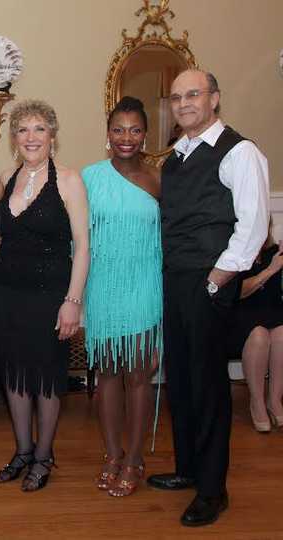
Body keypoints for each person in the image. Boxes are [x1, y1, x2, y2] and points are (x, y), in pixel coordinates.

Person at [149, 69, 269, 527]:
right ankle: (188, 469)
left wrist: (216, 281)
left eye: (193, 94)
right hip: (176, 279)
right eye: (176, 97)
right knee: (179, 379)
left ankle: (213, 490)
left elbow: (254, 227)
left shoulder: (240, 151)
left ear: (214, 99)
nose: (183, 103)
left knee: (209, 385)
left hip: (209, 282)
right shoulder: (175, 156)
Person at [0, 99, 89, 491]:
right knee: (14, 375)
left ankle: (44, 456)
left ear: (52, 136)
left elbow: (82, 246)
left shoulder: (68, 180)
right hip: (6, 293)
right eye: (23, 129)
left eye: (39, 129)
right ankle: (23, 450)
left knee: (47, 378)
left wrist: (73, 301)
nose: (31, 137)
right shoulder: (5, 178)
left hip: (51, 296)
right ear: (14, 138)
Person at [82, 96, 162, 497]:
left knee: (139, 376)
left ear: (146, 135)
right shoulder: (89, 178)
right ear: (107, 134)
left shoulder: (158, 179)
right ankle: (112, 454)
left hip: (145, 288)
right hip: (102, 288)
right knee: (107, 374)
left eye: (134, 130)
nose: (126, 138)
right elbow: (77, 239)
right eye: (118, 129)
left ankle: (135, 458)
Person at [226, 232, 283, 433]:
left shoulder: (275, 252)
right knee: (259, 336)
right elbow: (236, 292)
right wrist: (270, 271)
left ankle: (274, 400)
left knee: (282, 335)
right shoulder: (236, 254)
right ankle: (256, 402)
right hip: (239, 318)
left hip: (273, 314)